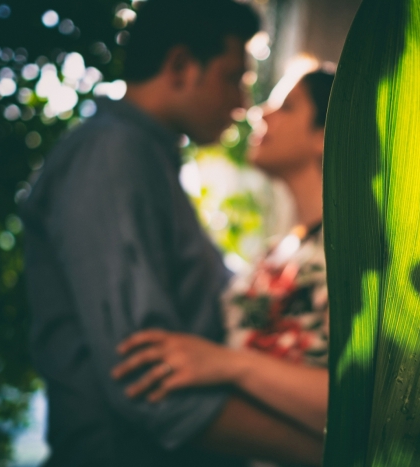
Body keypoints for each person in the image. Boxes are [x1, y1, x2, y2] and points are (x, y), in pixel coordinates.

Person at [21, 1, 323, 466]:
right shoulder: (113, 155)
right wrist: (327, 452)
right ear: (181, 66)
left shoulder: (146, 161)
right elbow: (148, 379)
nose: (243, 104)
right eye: (232, 78)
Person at [111, 68, 336, 441]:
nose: (262, 113)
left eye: (288, 107)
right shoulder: (280, 251)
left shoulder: (348, 254)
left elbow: (367, 409)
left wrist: (230, 366)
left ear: (326, 135)